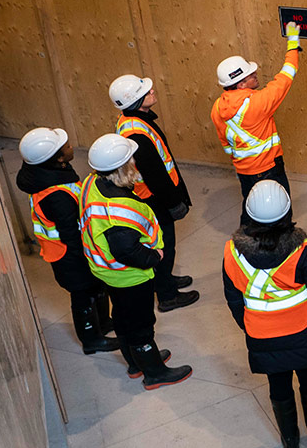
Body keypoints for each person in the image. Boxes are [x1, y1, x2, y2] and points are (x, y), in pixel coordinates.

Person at [223, 180, 307, 448]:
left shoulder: (231, 251)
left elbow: (233, 298)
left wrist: (249, 325)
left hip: (262, 336)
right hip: (305, 332)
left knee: (278, 386)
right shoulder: (303, 250)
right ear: (287, 214)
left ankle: (290, 442)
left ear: (249, 214)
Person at [80, 133, 192, 390]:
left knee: (122, 316)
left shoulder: (91, 184)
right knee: (141, 323)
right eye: (130, 160)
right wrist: (154, 257)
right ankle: (154, 372)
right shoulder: (119, 207)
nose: (134, 163)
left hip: (107, 272)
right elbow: (126, 250)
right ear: (122, 168)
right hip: (129, 276)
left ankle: (136, 362)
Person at [16, 127, 119, 355]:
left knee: (97, 288)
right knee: (83, 296)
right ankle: (91, 339)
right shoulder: (56, 195)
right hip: (69, 256)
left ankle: (104, 323)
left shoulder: (50, 174)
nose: (71, 147)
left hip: (72, 252)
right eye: (67, 147)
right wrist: (87, 257)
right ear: (59, 159)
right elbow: (70, 233)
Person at [110, 74, 200, 312]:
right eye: (146, 92)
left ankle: (165, 280)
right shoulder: (136, 132)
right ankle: (167, 295)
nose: (152, 92)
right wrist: (174, 203)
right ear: (136, 101)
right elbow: (155, 174)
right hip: (154, 198)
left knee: (163, 244)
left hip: (153, 195)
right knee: (164, 245)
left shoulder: (134, 120)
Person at [211, 22, 301, 223]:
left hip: (244, 171)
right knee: (280, 212)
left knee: (253, 209)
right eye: (250, 75)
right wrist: (293, 42)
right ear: (240, 83)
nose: (255, 74)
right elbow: (287, 75)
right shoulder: (257, 104)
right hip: (268, 168)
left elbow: (225, 142)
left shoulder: (217, 107)